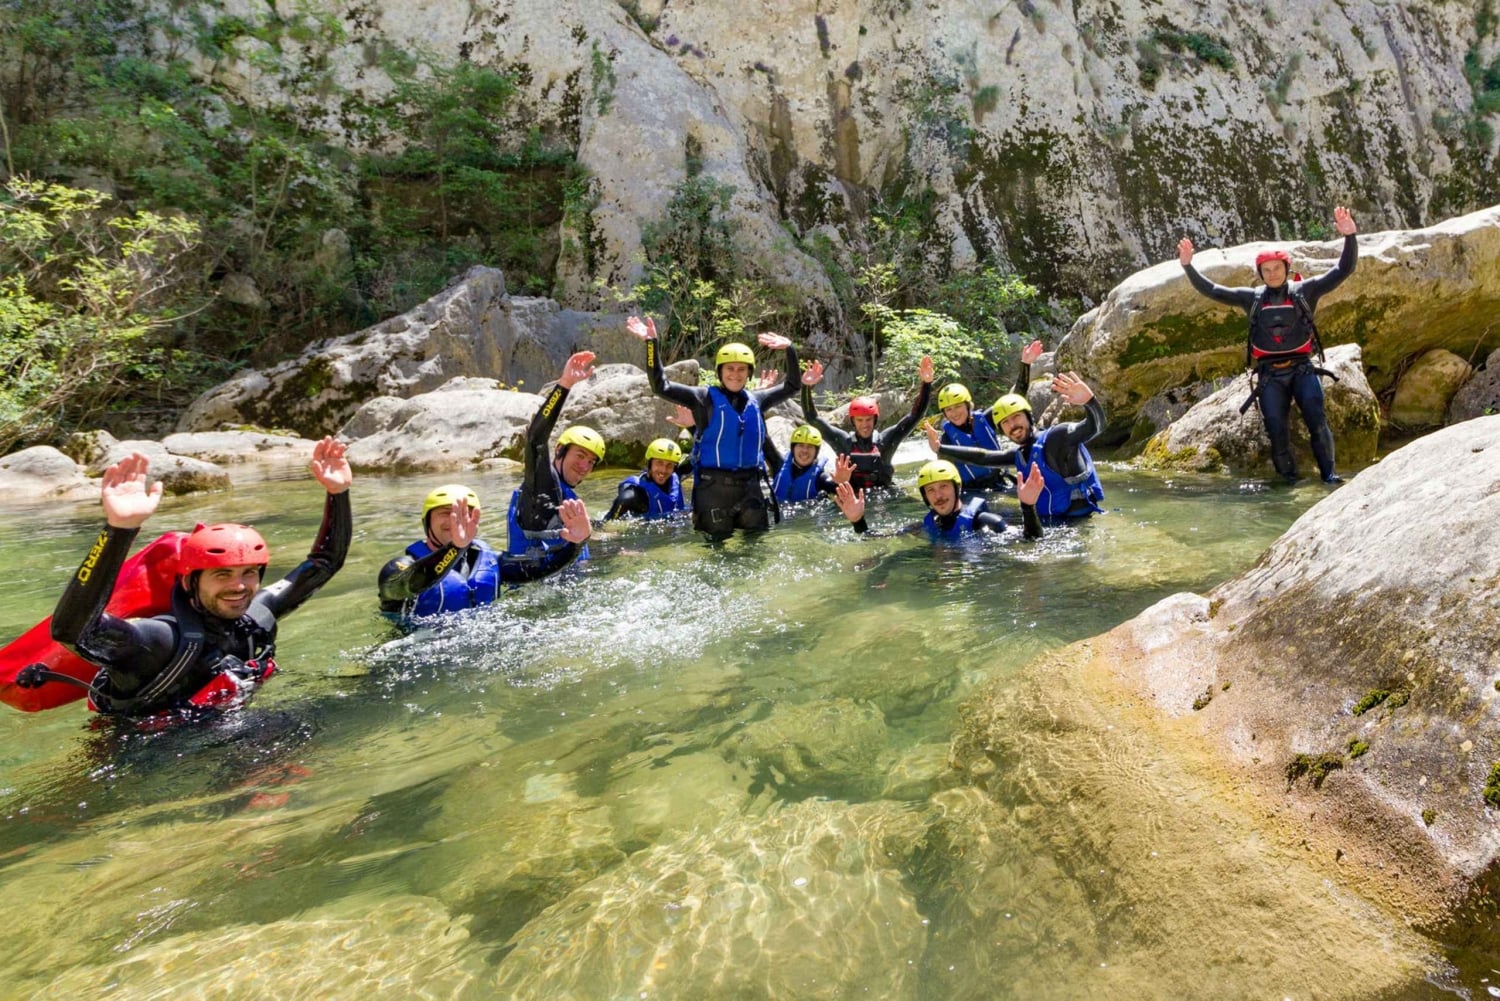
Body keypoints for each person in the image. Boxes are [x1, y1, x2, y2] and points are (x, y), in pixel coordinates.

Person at [46, 438, 352, 718]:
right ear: (188, 582)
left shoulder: (255, 619)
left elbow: (325, 563)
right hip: (141, 759)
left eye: (249, 573)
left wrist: (338, 493)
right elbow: (73, 631)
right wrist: (119, 530)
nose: (239, 586)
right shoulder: (161, 641)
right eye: (222, 575)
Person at [1178, 205, 1358, 484]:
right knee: (1275, 427)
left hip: (1302, 370)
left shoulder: (1306, 291)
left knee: (1317, 421)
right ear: (1260, 273)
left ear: (1287, 269)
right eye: (1266, 270)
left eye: (1277, 268)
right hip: (1269, 375)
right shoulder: (1250, 298)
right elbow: (1212, 290)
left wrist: (1350, 237)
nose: (1272, 274)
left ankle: (1330, 477)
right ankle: (1289, 482)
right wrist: (1188, 266)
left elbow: (1342, 269)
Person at [625, 314, 802, 539]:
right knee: (717, 555)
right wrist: (652, 344)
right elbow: (661, 386)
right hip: (713, 493)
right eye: (730, 369)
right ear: (720, 371)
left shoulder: (758, 399)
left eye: (741, 369)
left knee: (755, 554)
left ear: (749, 372)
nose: (735, 374)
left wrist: (790, 348)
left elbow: (793, 385)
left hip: (751, 491)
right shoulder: (703, 398)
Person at [378, 485, 592, 621]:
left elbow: (543, 570)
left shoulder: (489, 562)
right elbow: (406, 584)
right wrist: (455, 548)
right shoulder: (401, 568)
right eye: (446, 513)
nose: (456, 521)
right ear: (427, 522)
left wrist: (576, 543)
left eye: (465, 515)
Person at [927, 371, 1106, 521]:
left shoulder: (1058, 437)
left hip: (1080, 524)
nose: (1012, 425)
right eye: (1005, 422)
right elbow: (983, 457)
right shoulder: (1018, 454)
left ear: (1029, 417)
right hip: (1051, 526)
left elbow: (1095, 427)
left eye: (1016, 417)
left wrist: (1089, 402)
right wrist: (940, 448)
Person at [508, 351, 606, 562]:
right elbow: (535, 441)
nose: (584, 466)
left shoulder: (566, 494)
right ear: (560, 450)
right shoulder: (542, 487)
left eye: (591, 462)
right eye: (580, 455)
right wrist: (564, 385)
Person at [797, 354, 935, 492]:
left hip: (885, 498)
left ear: (875, 420)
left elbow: (915, 416)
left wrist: (927, 383)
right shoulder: (842, 442)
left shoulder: (886, 441)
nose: (865, 425)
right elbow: (812, 418)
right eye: (860, 420)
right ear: (852, 421)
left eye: (868, 419)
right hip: (854, 499)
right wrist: (806, 387)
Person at [832, 459, 1045, 542]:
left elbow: (1032, 541)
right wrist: (857, 520)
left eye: (944, 487)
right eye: (931, 491)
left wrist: (1028, 506)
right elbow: (871, 538)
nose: (939, 495)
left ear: (957, 488)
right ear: (925, 497)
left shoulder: (985, 521)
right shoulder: (926, 524)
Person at [934, 340, 1045, 490]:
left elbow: (1015, 398)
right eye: (948, 410)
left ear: (968, 405)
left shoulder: (985, 419)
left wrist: (1025, 364)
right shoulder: (946, 440)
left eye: (958, 406)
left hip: (999, 481)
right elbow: (945, 475)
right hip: (973, 490)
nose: (954, 413)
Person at [600, 439, 690, 522]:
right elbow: (621, 503)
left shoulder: (674, 476)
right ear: (649, 464)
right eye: (659, 463)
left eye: (669, 465)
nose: (664, 470)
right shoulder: (636, 494)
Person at [768, 425, 849, 503]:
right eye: (801, 445)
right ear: (793, 449)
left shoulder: (820, 478)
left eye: (810, 446)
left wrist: (842, 483)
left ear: (816, 452)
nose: (805, 451)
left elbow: (844, 496)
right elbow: (763, 440)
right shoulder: (778, 465)